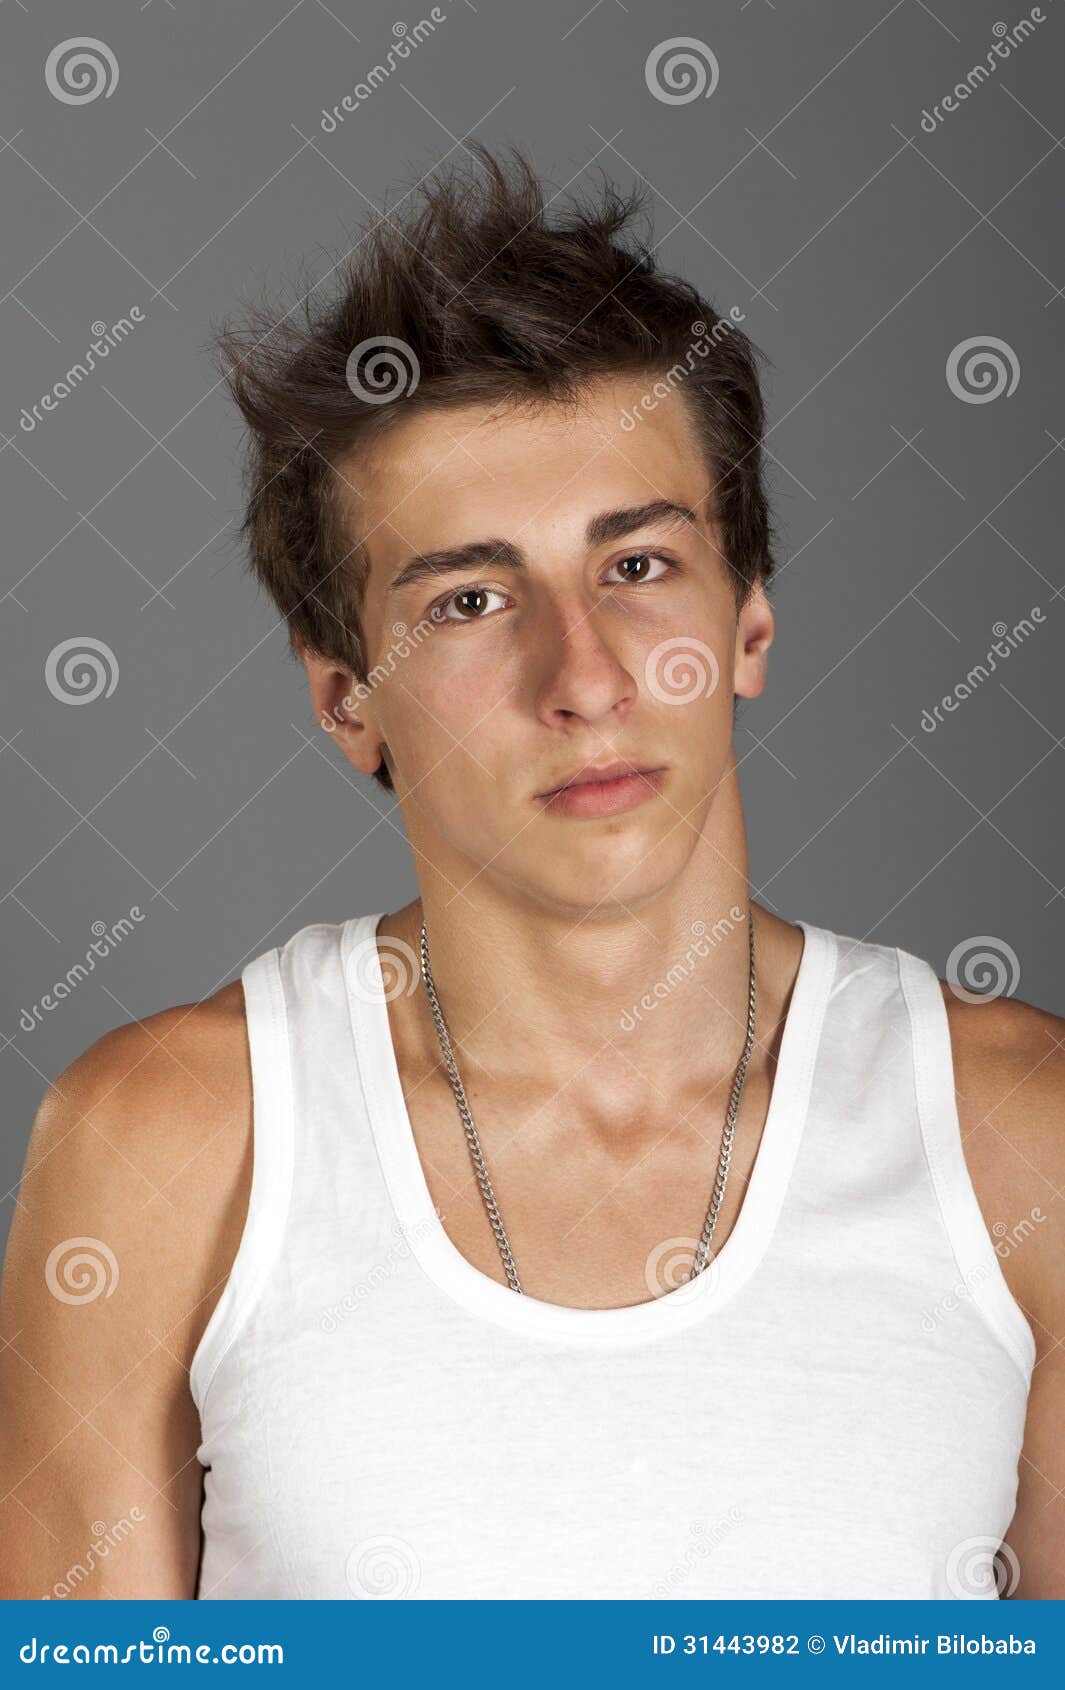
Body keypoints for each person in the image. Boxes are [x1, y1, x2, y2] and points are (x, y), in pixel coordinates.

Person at [1, 145, 1061, 1602]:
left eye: (635, 566)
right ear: (345, 697)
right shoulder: (166, 1142)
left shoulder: (1023, 1140)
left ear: (747, 619)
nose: (585, 677)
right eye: (471, 599)